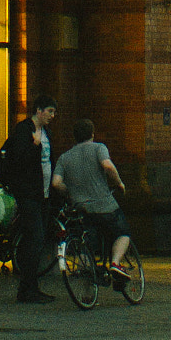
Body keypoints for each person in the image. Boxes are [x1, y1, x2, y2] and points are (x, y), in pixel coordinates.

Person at [51, 117, 133, 276]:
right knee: (123, 233)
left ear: (74, 136)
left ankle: (88, 290)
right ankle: (116, 263)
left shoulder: (64, 157)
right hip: (104, 206)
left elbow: (55, 183)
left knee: (85, 243)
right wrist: (119, 183)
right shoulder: (98, 148)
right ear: (92, 134)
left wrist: (69, 192)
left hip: (80, 208)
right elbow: (107, 166)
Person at [1, 94, 57, 303]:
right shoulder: (24, 130)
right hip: (28, 193)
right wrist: (33, 147)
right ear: (39, 110)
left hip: (42, 194)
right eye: (50, 111)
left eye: (54, 112)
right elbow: (19, 161)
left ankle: (30, 287)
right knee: (36, 238)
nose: (53, 116)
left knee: (35, 239)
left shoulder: (46, 133)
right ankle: (28, 288)